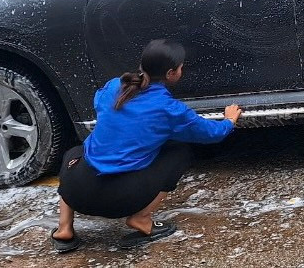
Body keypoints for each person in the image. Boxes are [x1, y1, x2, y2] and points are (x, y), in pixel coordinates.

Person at [51, 40, 242, 252]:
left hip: (75, 191)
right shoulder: (170, 109)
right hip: (119, 200)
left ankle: (64, 228)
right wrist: (229, 121)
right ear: (171, 73)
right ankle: (141, 219)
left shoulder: (115, 85)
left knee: (75, 152)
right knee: (180, 152)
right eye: (180, 67)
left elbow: (98, 101)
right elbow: (211, 134)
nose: (181, 70)